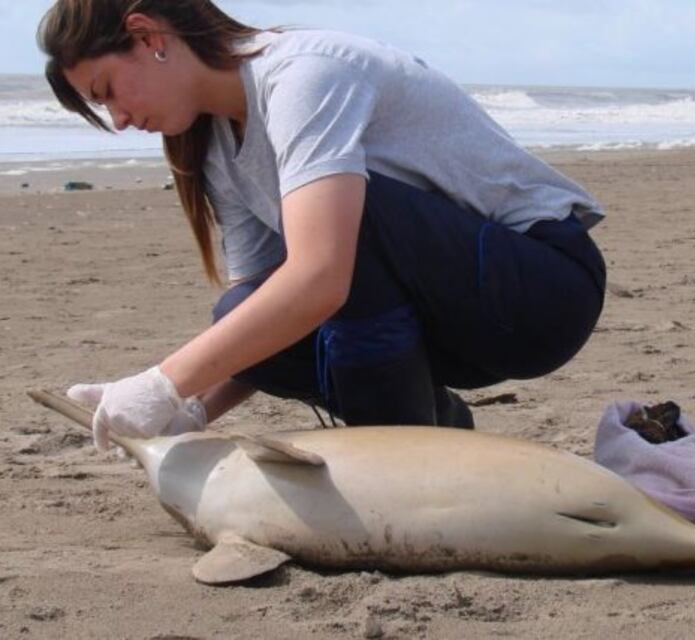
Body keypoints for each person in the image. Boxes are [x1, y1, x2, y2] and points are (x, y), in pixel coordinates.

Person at [39, 0, 606, 450]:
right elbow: (271, 319)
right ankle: (429, 423)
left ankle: (399, 450)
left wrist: (163, 383)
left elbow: (320, 279)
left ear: (147, 36)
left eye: (106, 92)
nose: (118, 119)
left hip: (542, 289)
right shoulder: (212, 145)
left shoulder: (304, 75)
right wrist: (192, 410)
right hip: (451, 322)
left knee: (345, 227)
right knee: (239, 314)